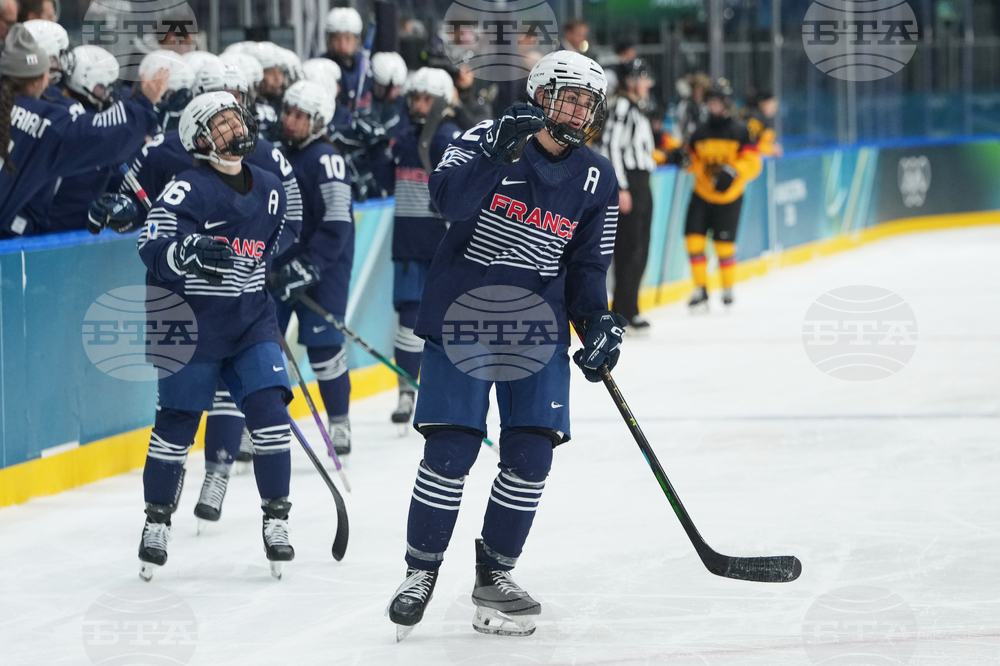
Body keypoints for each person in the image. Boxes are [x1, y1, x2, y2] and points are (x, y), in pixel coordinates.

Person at [387, 50, 624, 640]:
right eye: (569, 98)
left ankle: (495, 574)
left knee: (531, 457)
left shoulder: (597, 176)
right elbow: (447, 201)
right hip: (463, 319)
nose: (579, 111)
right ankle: (420, 571)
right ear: (540, 95)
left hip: (536, 328)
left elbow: (587, 267)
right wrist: (495, 153)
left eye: (587, 103)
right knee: (451, 452)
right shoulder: (482, 138)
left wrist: (597, 322)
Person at [134, 91, 296, 582]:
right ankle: (157, 521)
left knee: (270, 413)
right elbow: (150, 243)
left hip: (250, 322)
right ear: (200, 140)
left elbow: (270, 246)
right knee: (176, 425)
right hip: (189, 325)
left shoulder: (271, 187)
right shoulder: (187, 187)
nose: (235, 128)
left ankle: (277, 519)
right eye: (221, 124)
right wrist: (184, 251)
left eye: (235, 119)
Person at [0, 25, 165, 237]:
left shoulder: (32, 112)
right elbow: (100, 136)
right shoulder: (47, 123)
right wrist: (143, 104)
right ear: (39, 78)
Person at [271, 80, 356, 456]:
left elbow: (337, 221)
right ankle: (260, 425)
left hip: (324, 270)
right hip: (277, 269)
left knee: (324, 350)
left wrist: (309, 266)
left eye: (299, 115)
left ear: (318, 121)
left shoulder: (326, 158)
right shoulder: (276, 153)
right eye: (288, 112)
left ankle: (339, 422)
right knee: (263, 349)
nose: (289, 120)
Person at [386, 67, 461, 427]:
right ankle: (406, 390)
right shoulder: (402, 138)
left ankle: (444, 390)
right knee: (407, 320)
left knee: (445, 323)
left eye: (426, 99)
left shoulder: (451, 138)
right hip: (408, 247)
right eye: (414, 97)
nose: (418, 104)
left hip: (442, 247)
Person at [681, 78, 762, 310]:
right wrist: (683, 160)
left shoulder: (740, 130)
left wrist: (733, 172)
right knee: (693, 241)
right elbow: (693, 161)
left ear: (726, 103)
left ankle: (727, 287)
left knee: (724, 246)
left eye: (718, 101)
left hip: (729, 198)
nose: (713, 106)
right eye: (711, 102)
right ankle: (700, 289)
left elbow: (754, 163)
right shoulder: (700, 131)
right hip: (701, 195)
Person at [605, 59, 657, 333]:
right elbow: (611, 145)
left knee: (640, 247)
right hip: (631, 182)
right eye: (644, 78)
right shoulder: (623, 107)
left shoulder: (637, 108)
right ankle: (622, 311)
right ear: (632, 81)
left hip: (642, 180)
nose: (649, 84)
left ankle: (630, 308)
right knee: (629, 249)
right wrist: (621, 186)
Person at [325, 7, 371, 113]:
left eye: (348, 38)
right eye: (336, 38)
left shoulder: (366, 65)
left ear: (356, 40)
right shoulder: (321, 66)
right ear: (329, 39)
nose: (342, 45)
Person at [743, 90, 782, 157]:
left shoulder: (763, 119)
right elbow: (750, 145)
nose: (775, 108)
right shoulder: (753, 119)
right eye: (772, 104)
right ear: (761, 103)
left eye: (776, 105)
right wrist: (772, 150)